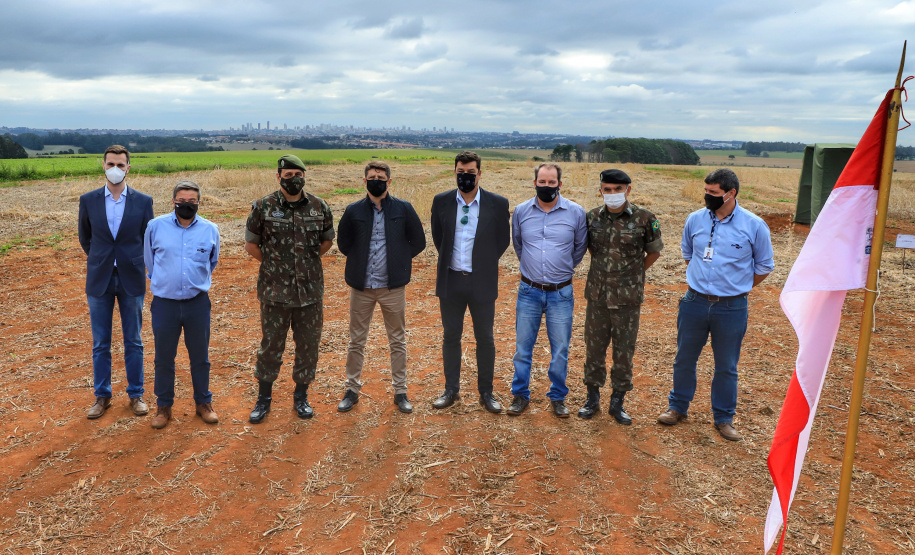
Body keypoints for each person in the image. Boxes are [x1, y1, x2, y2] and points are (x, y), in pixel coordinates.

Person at [657, 168, 774, 441]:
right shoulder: (694, 220)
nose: (707, 197)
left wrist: (737, 288)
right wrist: (704, 283)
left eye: (713, 193)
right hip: (694, 301)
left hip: (732, 307)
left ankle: (723, 418)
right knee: (684, 358)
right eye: (706, 191)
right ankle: (677, 408)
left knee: (726, 365)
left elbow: (764, 266)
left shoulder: (754, 225)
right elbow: (688, 254)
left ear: (731, 193)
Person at [245, 155, 334, 424]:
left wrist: (303, 265)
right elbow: (252, 245)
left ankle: (301, 398)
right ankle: (263, 400)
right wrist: (276, 265)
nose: (293, 178)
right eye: (288, 174)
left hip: (309, 293)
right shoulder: (263, 206)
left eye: (298, 173)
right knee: (271, 347)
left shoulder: (320, 207)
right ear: (278, 176)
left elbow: (326, 242)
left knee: (308, 347)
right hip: (275, 293)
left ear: (304, 176)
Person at [336, 160, 426, 414]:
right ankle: (352, 390)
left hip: (392, 287)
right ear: (364, 181)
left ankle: (400, 392)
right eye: (372, 176)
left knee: (397, 340)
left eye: (381, 176)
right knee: (356, 341)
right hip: (361, 287)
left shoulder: (403, 208)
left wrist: (398, 260)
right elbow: (344, 243)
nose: (377, 180)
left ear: (389, 181)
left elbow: (418, 241)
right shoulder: (353, 210)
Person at [578, 169, 663, 424]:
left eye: (617, 189)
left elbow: (654, 252)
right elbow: (591, 249)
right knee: (594, 349)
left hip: (627, 299)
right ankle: (592, 398)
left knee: (624, 352)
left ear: (628, 189)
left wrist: (633, 274)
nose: (612, 194)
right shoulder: (591, 217)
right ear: (600, 189)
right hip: (598, 296)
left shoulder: (645, 218)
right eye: (607, 189)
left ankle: (617, 402)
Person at [429, 151, 511, 413]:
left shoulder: (497, 203)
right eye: (460, 173)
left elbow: (502, 241)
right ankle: (451, 390)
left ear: (479, 173)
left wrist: (482, 263)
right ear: (455, 173)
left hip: (482, 282)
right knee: (451, 336)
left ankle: (486, 393)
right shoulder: (441, 201)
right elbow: (438, 238)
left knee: (485, 338)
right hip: (451, 281)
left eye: (470, 173)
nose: (465, 177)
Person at [77, 145, 154, 420]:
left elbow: (148, 238)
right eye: (111, 164)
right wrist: (102, 259)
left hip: (131, 278)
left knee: (133, 340)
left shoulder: (143, 201)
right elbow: (85, 238)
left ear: (129, 168)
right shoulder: (88, 200)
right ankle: (102, 396)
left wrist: (129, 261)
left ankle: (136, 395)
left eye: (121, 165)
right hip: (100, 278)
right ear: (103, 165)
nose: (116, 169)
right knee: (101, 342)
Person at [507, 162, 587, 418]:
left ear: (560, 184)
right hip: (528, 290)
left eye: (552, 183)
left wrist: (559, 269)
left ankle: (558, 397)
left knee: (560, 348)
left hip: (561, 293)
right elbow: (519, 246)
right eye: (542, 182)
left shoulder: (576, 212)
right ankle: (520, 395)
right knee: (522, 348)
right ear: (535, 183)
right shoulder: (520, 211)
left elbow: (579, 249)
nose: (546, 186)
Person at [143, 181, 220, 429]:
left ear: (199, 202)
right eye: (181, 200)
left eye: (191, 201)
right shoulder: (155, 227)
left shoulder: (210, 230)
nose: (186, 205)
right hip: (165, 304)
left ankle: (203, 404)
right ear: (173, 201)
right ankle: (163, 407)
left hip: (197, 304)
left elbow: (212, 261)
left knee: (200, 357)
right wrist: (167, 284)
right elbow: (150, 262)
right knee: (164, 358)